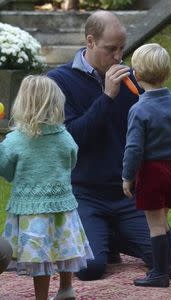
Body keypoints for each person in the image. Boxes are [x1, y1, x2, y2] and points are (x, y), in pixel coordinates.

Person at [47, 10, 171, 281]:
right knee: (89, 269)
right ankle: (96, 235)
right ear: (90, 41)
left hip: (127, 192)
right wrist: (107, 97)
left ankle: (108, 236)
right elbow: (72, 138)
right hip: (85, 192)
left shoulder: (132, 79)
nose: (119, 57)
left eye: (122, 48)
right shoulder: (59, 81)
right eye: (111, 49)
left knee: (170, 258)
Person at [0, 75, 93, 300]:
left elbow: (6, 170)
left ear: (22, 104)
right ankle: (65, 288)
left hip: (31, 211)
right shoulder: (64, 136)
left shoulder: (14, 140)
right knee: (65, 247)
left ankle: (41, 297)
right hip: (62, 205)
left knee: (39, 256)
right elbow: (72, 159)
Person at [122, 43, 171, 287]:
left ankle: (159, 273)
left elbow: (134, 148)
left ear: (136, 75)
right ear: (167, 73)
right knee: (162, 220)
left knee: (154, 225)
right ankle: (163, 268)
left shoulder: (139, 109)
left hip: (151, 171)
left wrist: (127, 176)